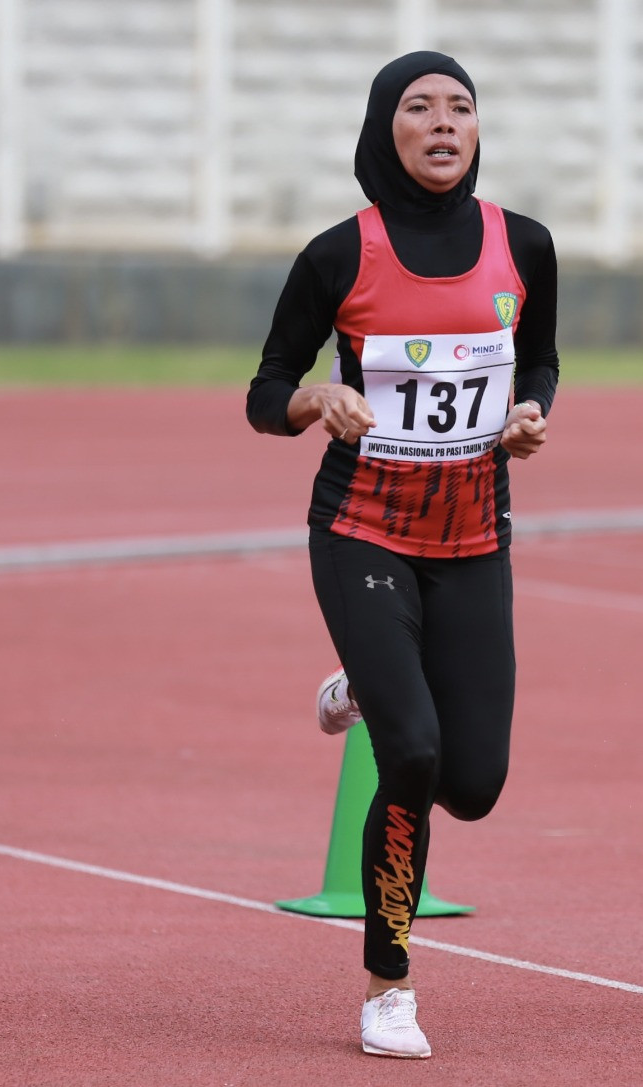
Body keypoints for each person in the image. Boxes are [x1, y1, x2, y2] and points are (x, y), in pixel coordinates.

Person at [246, 52, 559, 1058]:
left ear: (477, 130)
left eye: (459, 108)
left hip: (474, 537)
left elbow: (541, 354)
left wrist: (530, 411)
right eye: (417, 108)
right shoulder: (339, 256)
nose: (441, 123)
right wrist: (313, 399)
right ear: (384, 127)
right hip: (362, 530)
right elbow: (265, 391)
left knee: (472, 783)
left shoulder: (526, 244)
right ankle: (389, 983)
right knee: (413, 756)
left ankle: (366, 687)